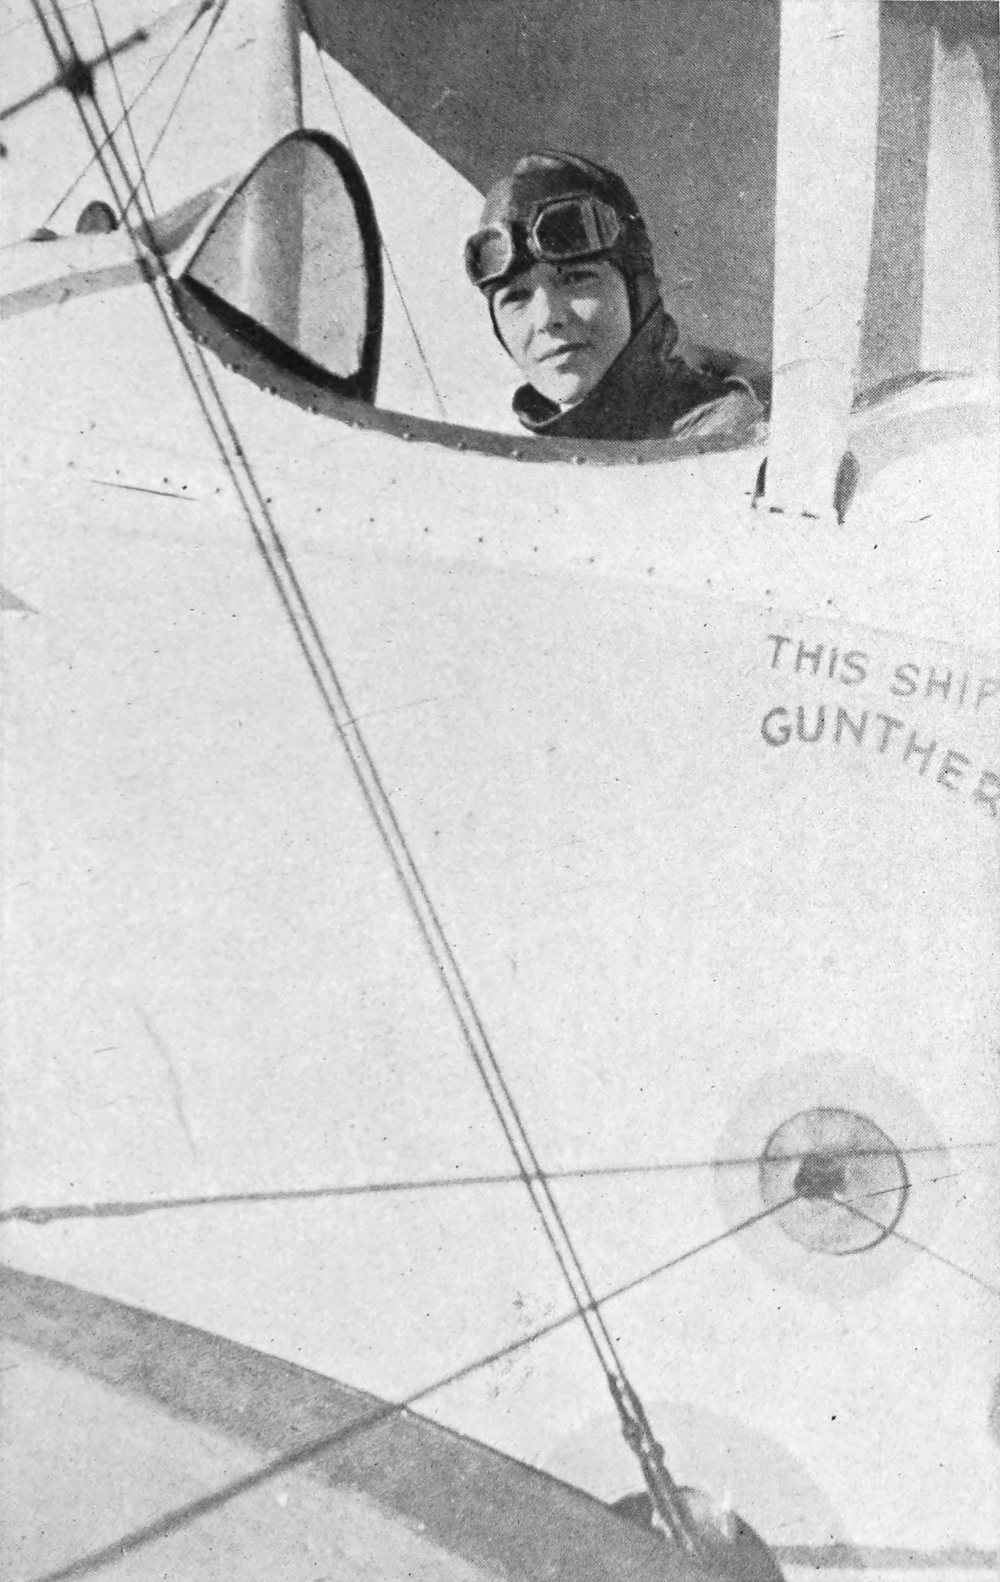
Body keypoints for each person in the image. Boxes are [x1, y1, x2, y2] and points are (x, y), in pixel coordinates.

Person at [464, 152, 764, 443]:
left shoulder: (741, 432)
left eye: (575, 279)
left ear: (639, 292)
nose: (546, 318)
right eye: (516, 297)